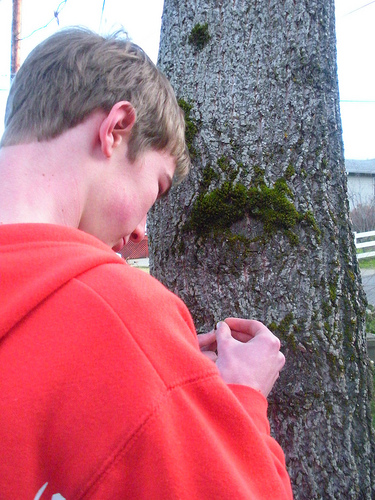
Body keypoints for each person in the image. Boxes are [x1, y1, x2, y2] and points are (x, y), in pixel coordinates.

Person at [0, 28, 293, 500]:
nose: (140, 231)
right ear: (116, 128)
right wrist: (242, 398)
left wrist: (167, 381)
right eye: (156, 188)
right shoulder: (118, 313)